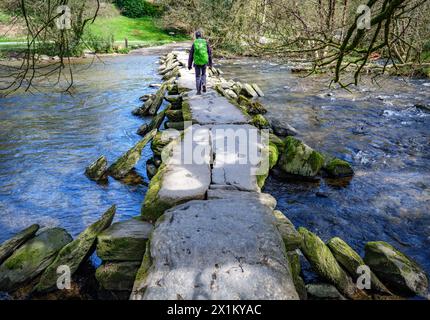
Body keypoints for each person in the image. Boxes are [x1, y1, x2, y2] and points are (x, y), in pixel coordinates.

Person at [188, 31, 213, 95]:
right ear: (201, 36)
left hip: (197, 62)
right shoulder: (205, 42)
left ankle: (198, 91)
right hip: (204, 61)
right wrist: (210, 64)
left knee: (197, 76)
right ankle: (204, 83)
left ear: (196, 36)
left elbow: (191, 55)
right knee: (203, 74)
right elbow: (209, 53)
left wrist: (189, 65)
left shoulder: (194, 43)